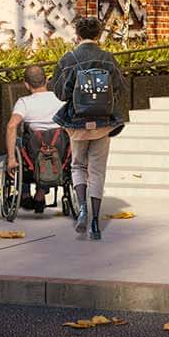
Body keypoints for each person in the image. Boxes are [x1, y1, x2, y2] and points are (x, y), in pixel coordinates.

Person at [54, 15, 123, 240]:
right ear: (98, 35)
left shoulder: (69, 58)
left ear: (78, 34)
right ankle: (95, 222)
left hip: (76, 123)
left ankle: (82, 208)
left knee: (78, 166)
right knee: (97, 170)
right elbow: (119, 87)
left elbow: (61, 93)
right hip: (103, 123)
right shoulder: (108, 58)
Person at [6, 64, 64, 210]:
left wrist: (12, 158)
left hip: (33, 155)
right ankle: (40, 194)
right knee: (56, 141)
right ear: (47, 80)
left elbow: (12, 126)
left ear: (26, 84)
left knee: (20, 142)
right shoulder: (61, 101)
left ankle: (25, 194)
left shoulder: (24, 102)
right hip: (60, 154)